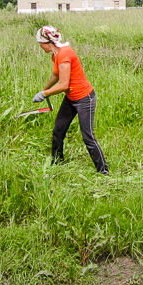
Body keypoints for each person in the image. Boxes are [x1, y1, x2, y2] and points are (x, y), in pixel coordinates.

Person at [32, 26, 109, 175]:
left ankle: (103, 172)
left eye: (39, 43)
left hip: (84, 98)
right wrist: (43, 90)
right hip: (70, 98)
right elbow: (56, 75)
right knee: (58, 131)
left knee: (88, 136)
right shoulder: (55, 55)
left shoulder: (65, 53)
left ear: (46, 42)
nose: (39, 46)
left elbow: (63, 84)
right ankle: (57, 163)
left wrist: (45, 94)